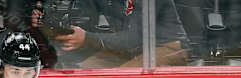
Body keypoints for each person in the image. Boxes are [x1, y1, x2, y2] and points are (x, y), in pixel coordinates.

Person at [31, 0, 189, 68]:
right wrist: (47, 21)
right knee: (90, 68)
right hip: (136, 50)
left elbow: (133, 38)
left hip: (168, 48)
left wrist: (88, 38)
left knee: (121, 77)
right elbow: (82, 19)